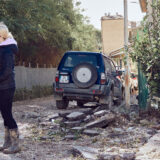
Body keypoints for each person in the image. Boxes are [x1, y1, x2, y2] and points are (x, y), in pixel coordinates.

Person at [0, 22, 20, 154]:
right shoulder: (2, 48)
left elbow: (7, 70)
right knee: (4, 114)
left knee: (7, 114)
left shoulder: (7, 50)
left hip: (6, 86)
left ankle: (16, 144)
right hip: (3, 86)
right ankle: (7, 142)